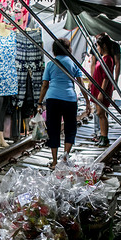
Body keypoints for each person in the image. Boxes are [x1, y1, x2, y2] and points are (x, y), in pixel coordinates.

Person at [38, 38, 91, 169]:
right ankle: (65, 158)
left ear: (55, 50)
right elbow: (81, 84)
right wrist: (88, 102)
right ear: (68, 49)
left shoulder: (51, 64)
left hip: (53, 99)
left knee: (53, 129)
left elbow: (45, 85)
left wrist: (40, 102)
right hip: (70, 99)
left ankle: (55, 161)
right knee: (70, 129)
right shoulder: (74, 63)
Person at [91, 35, 115, 147]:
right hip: (97, 89)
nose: (97, 48)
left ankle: (104, 136)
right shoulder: (102, 58)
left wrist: (101, 92)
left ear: (103, 46)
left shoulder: (108, 59)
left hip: (102, 90)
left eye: (98, 46)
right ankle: (102, 135)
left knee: (101, 113)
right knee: (99, 113)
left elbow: (106, 77)